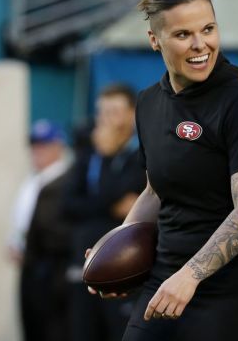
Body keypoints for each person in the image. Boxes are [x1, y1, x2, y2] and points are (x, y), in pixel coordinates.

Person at [107, 0, 238, 341]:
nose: (200, 45)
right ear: (154, 40)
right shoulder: (148, 103)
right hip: (166, 281)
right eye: (182, 35)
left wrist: (190, 276)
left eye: (208, 29)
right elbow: (153, 191)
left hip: (235, 297)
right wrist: (117, 247)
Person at [63, 84, 147, 341]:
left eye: (113, 112)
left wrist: (110, 157)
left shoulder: (141, 154)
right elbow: (68, 205)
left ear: (132, 115)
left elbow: (133, 203)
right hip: (83, 264)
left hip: (123, 268)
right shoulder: (89, 154)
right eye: (101, 112)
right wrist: (110, 205)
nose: (105, 120)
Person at [7, 119, 73, 341]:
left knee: (50, 327)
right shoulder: (32, 181)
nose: (38, 151)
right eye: (35, 146)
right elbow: (22, 222)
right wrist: (15, 245)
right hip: (30, 265)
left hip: (50, 268)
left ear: (59, 146)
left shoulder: (65, 181)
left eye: (44, 145)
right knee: (31, 324)